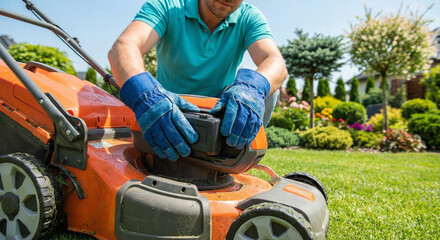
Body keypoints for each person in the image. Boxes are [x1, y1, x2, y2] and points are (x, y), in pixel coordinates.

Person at [108, 0, 287, 161]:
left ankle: (235, 155)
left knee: (265, 90)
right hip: (167, 108)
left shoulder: (249, 17)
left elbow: (275, 62)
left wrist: (251, 87)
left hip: (221, 113)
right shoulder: (168, 5)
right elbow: (123, 47)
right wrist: (146, 95)